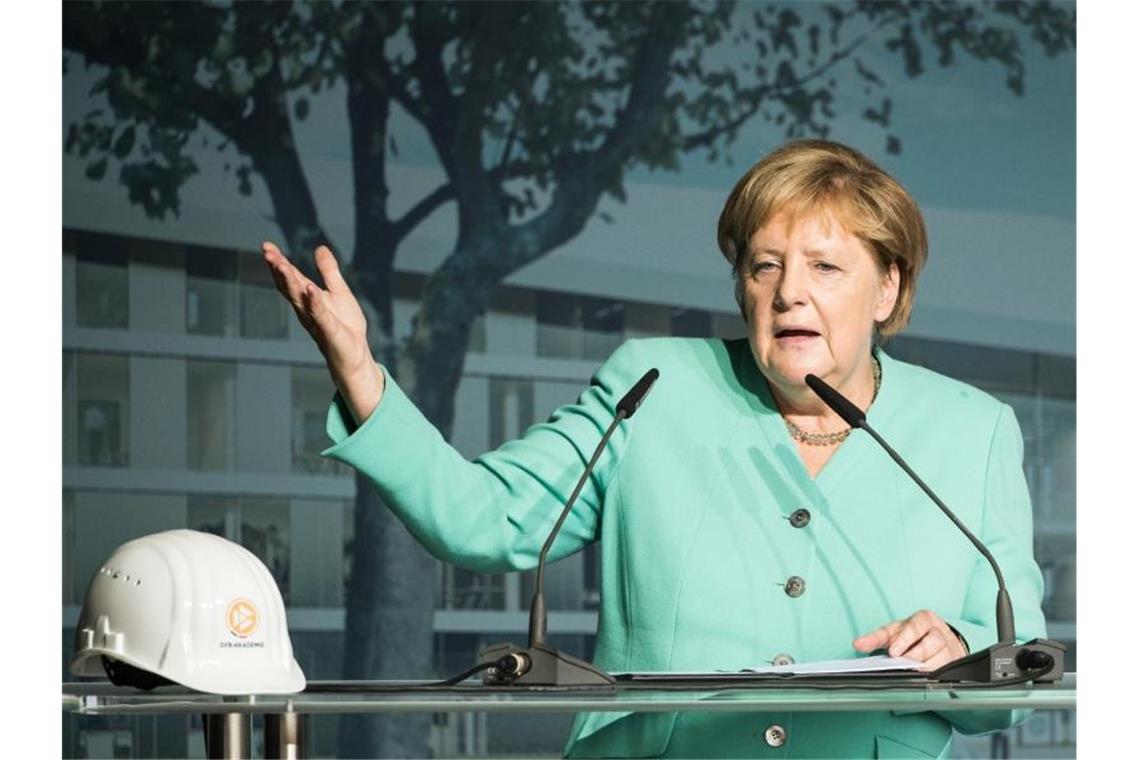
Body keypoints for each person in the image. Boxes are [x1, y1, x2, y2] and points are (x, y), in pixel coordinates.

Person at [262, 139, 1046, 759]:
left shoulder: (971, 430)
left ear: (887, 289)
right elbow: (484, 520)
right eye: (764, 264)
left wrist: (963, 648)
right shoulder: (655, 383)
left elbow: (1010, 677)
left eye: (825, 267)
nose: (787, 291)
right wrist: (362, 375)